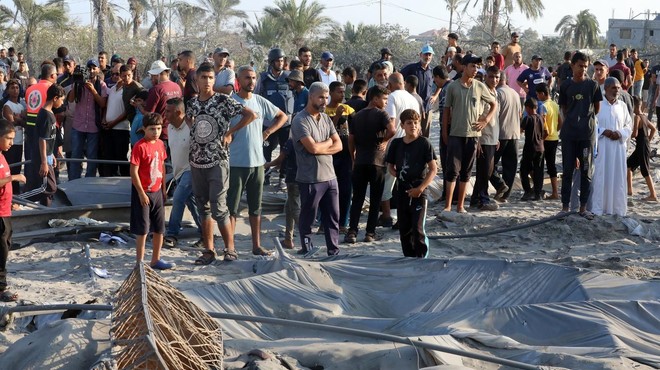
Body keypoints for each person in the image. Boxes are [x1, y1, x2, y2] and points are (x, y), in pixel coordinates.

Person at [186, 62, 257, 265]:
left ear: (214, 80)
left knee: (219, 207)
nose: (207, 81)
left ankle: (230, 248)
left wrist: (229, 133)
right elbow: (188, 120)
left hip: (218, 160)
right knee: (203, 206)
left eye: (210, 77)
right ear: (196, 80)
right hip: (197, 161)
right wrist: (194, 131)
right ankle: (209, 250)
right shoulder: (192, 103)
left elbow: (250, 114)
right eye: (203, 77)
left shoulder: (223, 101)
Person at [229, 65, 287, 256]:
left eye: (254, 78)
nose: (251, 81)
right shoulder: (231, 102)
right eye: (247, 78)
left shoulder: (260, 101)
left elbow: (282, 116)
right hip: (236, 163)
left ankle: (256, 245)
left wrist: (268, 131)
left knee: (256, 207)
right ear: (238, 80)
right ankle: (230, 247)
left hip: (257, 163)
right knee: (232, 208)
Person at [291, 82, 342, 257]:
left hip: (330, 177)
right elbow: (312, 149)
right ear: (311, 96)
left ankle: (333, 251)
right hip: (310, 178)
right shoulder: (300, 120)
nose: (324, 101)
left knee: (333, 218)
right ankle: (307, 248)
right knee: (308, 218)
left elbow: (339, 145)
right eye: (321, 97)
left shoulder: (326, 118)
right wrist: (328, 142)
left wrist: (324, 145)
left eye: (326, 97)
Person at [442, 54, 497, 213]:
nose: (475, 69)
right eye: (472, 66)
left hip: (473, 135)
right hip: (455, 134)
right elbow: (446, 111)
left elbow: (493, 104)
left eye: (477, 67)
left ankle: (460, 206)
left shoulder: (480, 86)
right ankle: (447, 206)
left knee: (466, 171)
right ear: (464, 67)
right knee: (452, 170)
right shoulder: (452, 86)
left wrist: (485, 120)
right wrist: (445, 132)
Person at [345, 85, 394, 243]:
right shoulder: (381, 114)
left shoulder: (357, 116)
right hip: (377, 162)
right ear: (375, 98)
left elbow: (351, 139)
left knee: (357, 199)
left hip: (360, 162)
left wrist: (353, 158)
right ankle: (370, 233)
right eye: (384, 99)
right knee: (375, 199)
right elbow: (392, 130)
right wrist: (385, 142)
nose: (386, 102)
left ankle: (352, 232)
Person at [386, 109, 437, 258]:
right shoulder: (396, 143)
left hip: (419, 192)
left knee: (418, 228)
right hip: (402, 191)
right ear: (402, 125)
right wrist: (394, 172)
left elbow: (433, 169)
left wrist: (420, 188)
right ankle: (408, 258)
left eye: (416, 123)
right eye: (409, 123)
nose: (413, 126)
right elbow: (390, 164)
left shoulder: (424, 143)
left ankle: (422, 259)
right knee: (404, 229)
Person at [558, 52, 602, 218]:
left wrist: (584, 120)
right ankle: (565, 207)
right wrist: (572, 120)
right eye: (580, 66)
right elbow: (563, 108)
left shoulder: (592, 85)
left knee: (586, 171)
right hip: (569, 134)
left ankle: (583, 208)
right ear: (572, 66)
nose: (583, 69)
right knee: (568, 171)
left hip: (586, 135)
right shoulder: (565, 86)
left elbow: (596, 108)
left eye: (585, 66)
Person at [129, 113, 174, 270]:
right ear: (144, 129)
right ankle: (140, 262)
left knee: (159, 228)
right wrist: (141, 192)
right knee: (143, 229)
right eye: (152, 129)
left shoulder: (161, 144)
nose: (156, 132)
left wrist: (163, 188)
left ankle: (156, 259)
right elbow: (134, 171)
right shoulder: (139, 146)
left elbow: (162, 165)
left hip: (157, 192)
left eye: (159, 128)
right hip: (143, 192)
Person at [162, 98, 201, 249]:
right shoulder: (170, 128)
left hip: (191, 170)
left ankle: (172, 234)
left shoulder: (191, 127)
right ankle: (204, 231)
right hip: (178, 172)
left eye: (168, 111)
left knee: (178, 198)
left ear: (179, 113)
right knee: (191, 202)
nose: (165, 114)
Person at [590, 77, 631, 216]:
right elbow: (592, 124)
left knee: (618, 177)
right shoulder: (598, 104)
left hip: (618, 148)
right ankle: (599, 208)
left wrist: (619, 133)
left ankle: (617, 209)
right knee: (601, 176)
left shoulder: (622, 106)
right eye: (614, 87)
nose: (617, 90)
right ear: (606, 88)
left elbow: (628, 126)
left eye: (618, 87)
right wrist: (603, 131)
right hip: (602, 147)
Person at [257, 48, 293, 189]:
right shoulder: (264, 78)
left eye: (282, 60)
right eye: (277, 60)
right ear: (272, 62)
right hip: (268, 122)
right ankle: (265, 175)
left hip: (285, 122)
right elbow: (257, 96)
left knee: (286, 149)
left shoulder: (289, 77)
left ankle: (282, 177)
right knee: (266, 149)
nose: (280, 63)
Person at [68, 59, 108, 180]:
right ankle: (73, 180)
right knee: (75, 155)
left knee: (91, 156)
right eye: (89, 68)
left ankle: (89, 180)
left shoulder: (102, 85)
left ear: (98, 70)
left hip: (93, 126)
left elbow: (102, 104)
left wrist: (93, 90)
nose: (91, 71)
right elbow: (70, 99)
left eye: (94, 68)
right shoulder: (79, 83)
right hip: (78, 125)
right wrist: (77, 83)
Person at [0, 119, 26, 302]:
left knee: (5, 247)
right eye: (8, 138)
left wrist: (10, 202)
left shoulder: (2, 156)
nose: (11, 142)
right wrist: (14, 178)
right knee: (1, 252)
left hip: (5, 211)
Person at [27, 84, 64, 206]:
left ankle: (46, 211)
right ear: (55, 98)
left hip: (47, 155)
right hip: (41, 157)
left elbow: (49, 139)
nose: (62, 102)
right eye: (61, 99)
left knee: (48, 190)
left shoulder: (50, 113)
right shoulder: (46, 115)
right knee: (49, 187)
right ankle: (23, 198)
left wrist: (51, 154)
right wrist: (44, 162)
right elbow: (42, 139)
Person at [325, 81, 355, 232]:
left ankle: (343, 222)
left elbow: (355, 131)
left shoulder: (348, 109)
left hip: (346, 156)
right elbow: (325, 131)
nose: (342, 95)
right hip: (330, 155)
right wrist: (336, 116)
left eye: (344, 92)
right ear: (330, 93)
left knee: (345, 189)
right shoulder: (325, 111)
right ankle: (326, 222)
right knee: (328, 189)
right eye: (339, 92)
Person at [470, 66, 500, 210]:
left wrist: (497, 137)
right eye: (491, 77)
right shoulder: (482, 93)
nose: (494, 80)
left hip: (493, 137)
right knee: (484, 170)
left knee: (488, 170)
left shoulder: (495, 93)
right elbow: (477, 117)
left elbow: (495, 118)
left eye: (497, 77)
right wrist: (478, 140)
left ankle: (476, 198)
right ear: (486, 77)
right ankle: (483, 198)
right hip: (484, 138)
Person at [490, 70, 521, 202]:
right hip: (514, 133)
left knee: (491, 164)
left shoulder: (498, 94)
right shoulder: (515, 93)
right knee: (510, 166)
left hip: (501, 134)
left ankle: (500, 185)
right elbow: (520, 114)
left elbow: (495, 116)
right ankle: (505, 194)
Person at [265, 137, 299, 249]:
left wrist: (266, 165)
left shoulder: (291, 141)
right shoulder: (311, 137)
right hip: (307, 177)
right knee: (289, 207)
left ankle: (306, 237)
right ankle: (288, 239)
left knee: (294, 208)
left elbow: (280, 160)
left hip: (293, 178)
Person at [400, 45, 435, 137]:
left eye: (429, 55)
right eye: (425, 54)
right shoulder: (412, 68)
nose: (427, 57)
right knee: (411, 132)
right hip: (413, 106)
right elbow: (398, 77)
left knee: (424, 134)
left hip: (427, 107)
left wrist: (435, 95)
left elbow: (440, 83)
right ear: (420, 55)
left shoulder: (431, 71)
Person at [627, 96, 657, 201]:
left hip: (642, 146)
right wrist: (648, 139)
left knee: (645, 170)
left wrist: (626, 136)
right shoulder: (644, 116)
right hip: (643, 144)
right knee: (629, 165)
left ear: (634, 106)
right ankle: (629, 190)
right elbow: (653, 128)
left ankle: (653, 195)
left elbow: (635, 134)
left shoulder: (637, 117)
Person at [536, 83, 562, 200]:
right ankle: (555, 191)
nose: (537, 96)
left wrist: (542, 136)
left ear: (542, 93)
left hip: (545, 139)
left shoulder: (543, 106)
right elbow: (560, 121)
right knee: (552, 165)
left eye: (538, 94)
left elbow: (542, 123)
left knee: (540, 165)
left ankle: (539, 190)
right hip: (554, 138)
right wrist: (555, 131)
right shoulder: (555, 105)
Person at [519, 97, 547, 201]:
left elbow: (520, 130)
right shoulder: (540, 118)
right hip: (540, 147)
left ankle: (527, 191)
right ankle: (538, 193)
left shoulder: (528, 118)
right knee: (538, 170)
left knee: (523, 170)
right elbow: (545, 132)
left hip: (530, 147)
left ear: (527, 107)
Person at [2, 80, 25, 195]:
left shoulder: (21, 105)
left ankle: (16, 193)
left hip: (20, 141)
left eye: (17, 87)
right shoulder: (7, 105)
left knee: (17, 168)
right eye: (12, 88)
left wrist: (19, 118)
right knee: (9, 169)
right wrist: (19, 119)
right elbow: (11, 122)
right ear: (8, 90)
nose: (15, 90)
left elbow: (25, 121)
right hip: (10, 143)